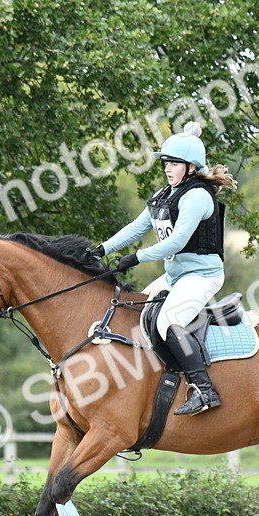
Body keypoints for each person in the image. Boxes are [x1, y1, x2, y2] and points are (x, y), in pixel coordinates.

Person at [90, 122, 238, 415]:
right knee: (134, 314)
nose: (168, 169)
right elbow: (138, 227)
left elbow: (176, 242)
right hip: (175, 275)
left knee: (167, 322)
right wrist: (103, 248)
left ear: (191, 168)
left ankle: (205, 390)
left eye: (174, 164)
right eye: (166, 163)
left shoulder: (197, 196)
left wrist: (136, 257)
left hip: (202, 276)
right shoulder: (166, 193)